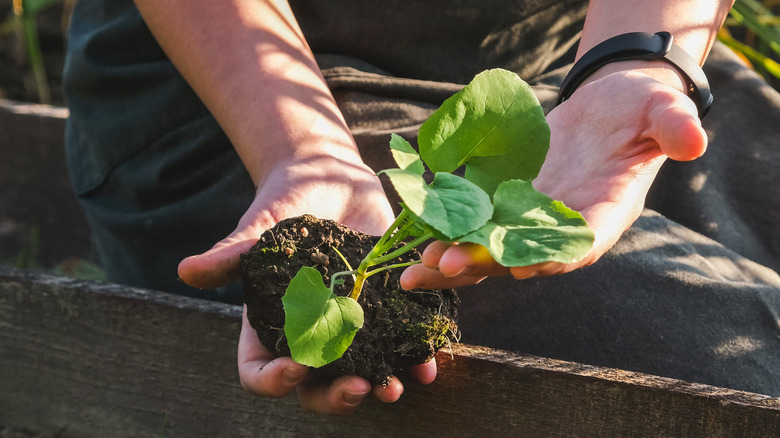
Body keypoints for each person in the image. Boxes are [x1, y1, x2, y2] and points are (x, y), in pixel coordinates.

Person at [63, 0, 780, 415]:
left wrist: (634, 59)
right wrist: (303, 152)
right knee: (735, 379)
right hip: (248, 89)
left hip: (576, 63)